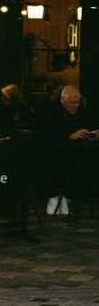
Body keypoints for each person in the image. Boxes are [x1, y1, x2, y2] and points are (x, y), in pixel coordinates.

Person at [40, 85, 96, 215]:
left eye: (78, 102)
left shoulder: (81, 110)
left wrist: (90, 135)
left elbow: (84, 126)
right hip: (52, 150)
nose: (76, 105)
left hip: (73, 150)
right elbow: (47, 135)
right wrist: (70, 136)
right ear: (62, 100)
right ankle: (54, 196)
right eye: (72, 102)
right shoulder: (50, 111)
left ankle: (65, 195)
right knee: (56, 161)